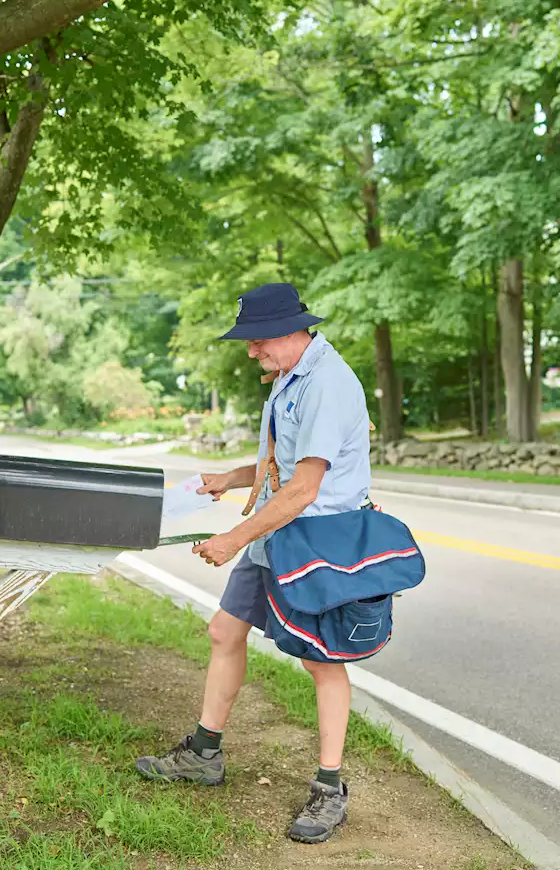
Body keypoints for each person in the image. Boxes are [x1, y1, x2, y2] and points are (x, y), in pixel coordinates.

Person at [136, 282, 373, 844]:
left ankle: (330, 789)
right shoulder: (289, 378)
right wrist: (230, 478)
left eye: (257, 340)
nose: (250, 352)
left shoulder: (329, 385)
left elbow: (306, 489)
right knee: (225, 631)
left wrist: (230, 538)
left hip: (316, 545)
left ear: (293, 330)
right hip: (275, 533)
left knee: (321, 661)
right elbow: (281, 466)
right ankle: (203, 754)